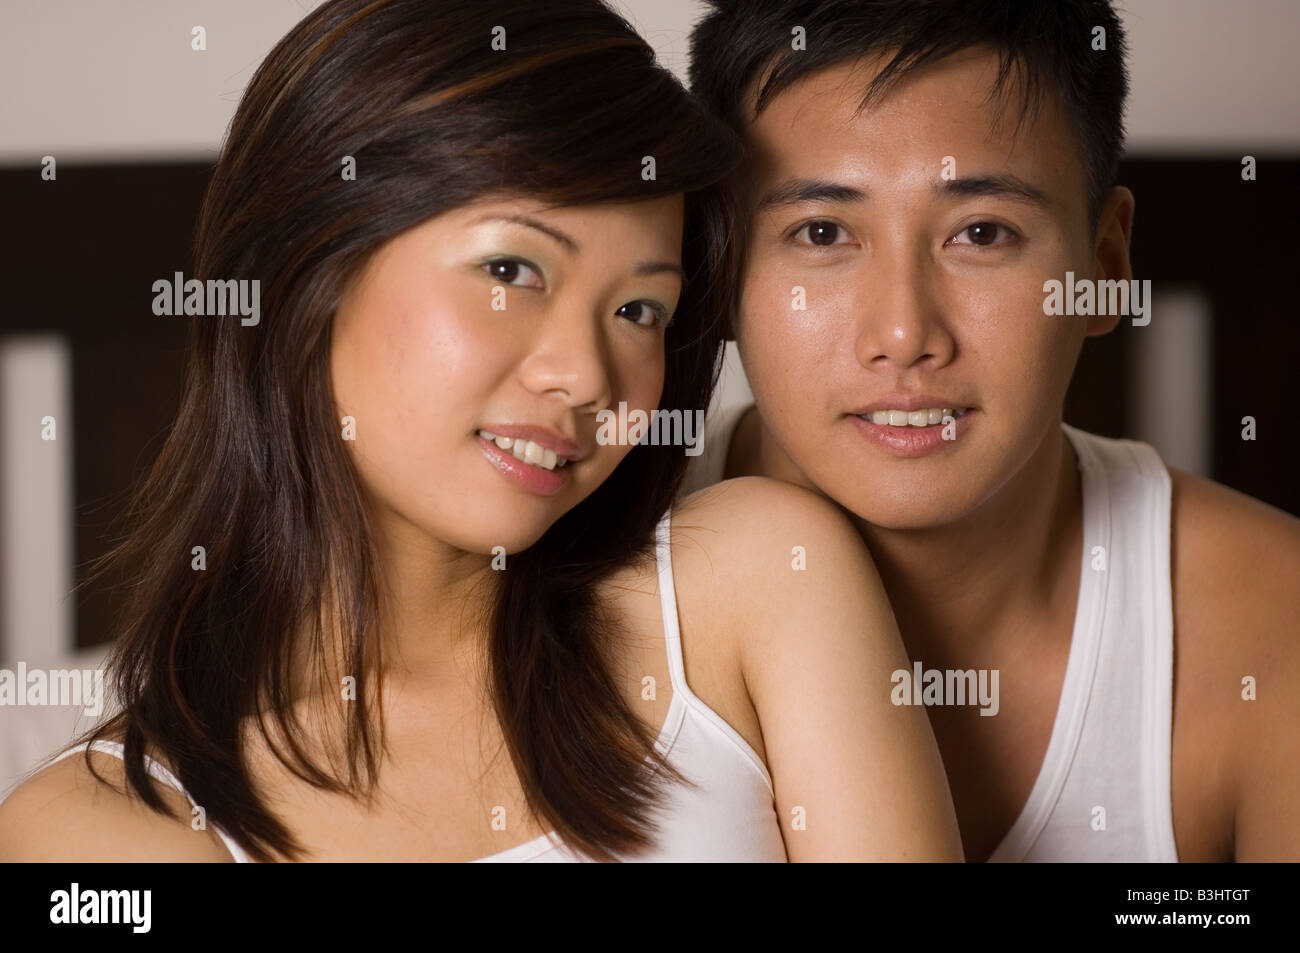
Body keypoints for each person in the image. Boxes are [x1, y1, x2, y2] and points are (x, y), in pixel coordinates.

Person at [0, 0, 961, 863]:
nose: (587, 376)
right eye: (512, 270)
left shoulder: (760, 582)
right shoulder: (102, 832)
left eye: (640, 311)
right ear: (308, 269)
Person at [684, 0, 1300, 861]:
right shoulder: (572, 574)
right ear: (716, 260)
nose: (903, 333)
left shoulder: (1272, 622)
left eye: (982, 232)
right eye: (821, 232)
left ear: (1105, 266)